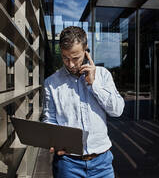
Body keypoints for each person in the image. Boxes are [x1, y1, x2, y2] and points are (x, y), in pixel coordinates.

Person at [43, 26, 125, 178]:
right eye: (65, 58)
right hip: (68, 164)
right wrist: (55, 141)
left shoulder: (103, 75)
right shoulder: (51, 83)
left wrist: (94, 85)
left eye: (75, 58)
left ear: (86, 50)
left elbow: (117, 110)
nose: (71, 64)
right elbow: (50, 119)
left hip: (102, 163)